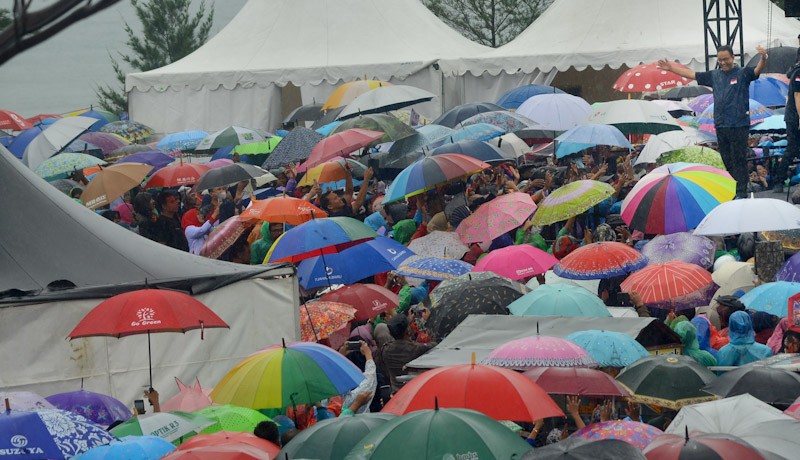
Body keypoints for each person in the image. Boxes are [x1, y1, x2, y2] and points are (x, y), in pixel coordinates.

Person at [659, 45, 768, 197]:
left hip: (739, 124)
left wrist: (763, 58)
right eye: (720, 60)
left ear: (733, 57)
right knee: (726, 159)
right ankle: (732, 188)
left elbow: (757, 71)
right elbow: (692, 74)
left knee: (739, 158)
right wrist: (671, 68)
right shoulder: (714, 75)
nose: (723, 63)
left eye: (726, 59)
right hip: (721, 124)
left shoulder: (742, 73)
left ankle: (741, 191)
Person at [380, 313, 436, 393]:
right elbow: (434, 344)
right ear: (408, 330)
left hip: (396, 393)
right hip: (414, 391)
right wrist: (425, 323)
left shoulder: (385, 350)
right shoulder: (415, 349)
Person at [775, 52, 800, 193]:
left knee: (792, 149)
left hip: (793, 116)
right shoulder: (798, 72)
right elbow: (798, 96)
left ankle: (779, 180)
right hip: (795, 117)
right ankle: (779, 180)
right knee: (792, 149)